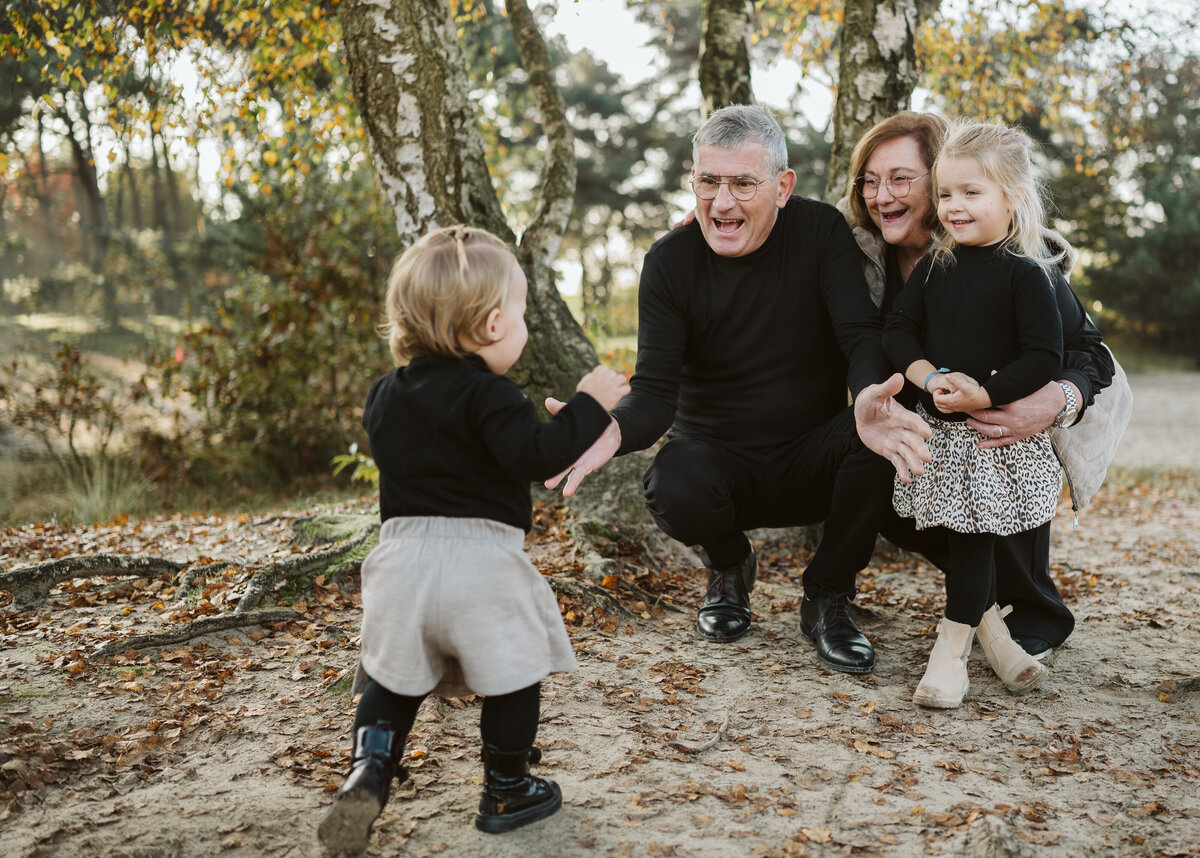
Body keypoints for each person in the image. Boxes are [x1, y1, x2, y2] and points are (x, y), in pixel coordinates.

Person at [546, 104, 905, 675]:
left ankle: (828, 597)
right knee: (672, 482)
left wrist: (868, 393)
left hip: (811, 456)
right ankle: (731, 565)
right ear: (693, 181)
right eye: (708, 181)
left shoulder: (819, 232)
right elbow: (655, 391)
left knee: (880, 421)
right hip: (718, 468)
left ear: (782, 187)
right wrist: (611, 429)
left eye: (743, 183)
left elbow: (860, 335)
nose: (722, 202)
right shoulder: (669, 262)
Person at [318, 225, 629, 851]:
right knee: (515, 673)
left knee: (392, 676)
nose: (522, 328)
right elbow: (535, 458)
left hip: (401, 560)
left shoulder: (383, 398)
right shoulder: (493, 395)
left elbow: (435, 448)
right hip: (481, 562)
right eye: (518, 316)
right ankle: (507, 788)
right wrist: (588, 408)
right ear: (491, 325)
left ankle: (368, 769)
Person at [840, 112, 1117, 658]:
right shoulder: (862, 258)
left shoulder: (1027, 262)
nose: (882, 195)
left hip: (1001, 430)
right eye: (870, 181)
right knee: (884, 465)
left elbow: (1088, 354)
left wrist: (1048, 401)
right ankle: (969, 610)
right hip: (930, 431)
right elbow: (790, 230)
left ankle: (1015, 605)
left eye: (901, 179)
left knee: (999, 502)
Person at [882, 120, 1063, 708]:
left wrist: (986, 396)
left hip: (994, 437)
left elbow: (1045, 356)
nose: (953, 207)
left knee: (975, 539)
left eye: (971, 193)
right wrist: (930, 378)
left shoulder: (1028, 273)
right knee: (959, 539)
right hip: (942, 432)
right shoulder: (938, 267)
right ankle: (1000, 641)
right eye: (946, 194)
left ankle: (949, 654)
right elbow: (899, 329)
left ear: (1011, 197)